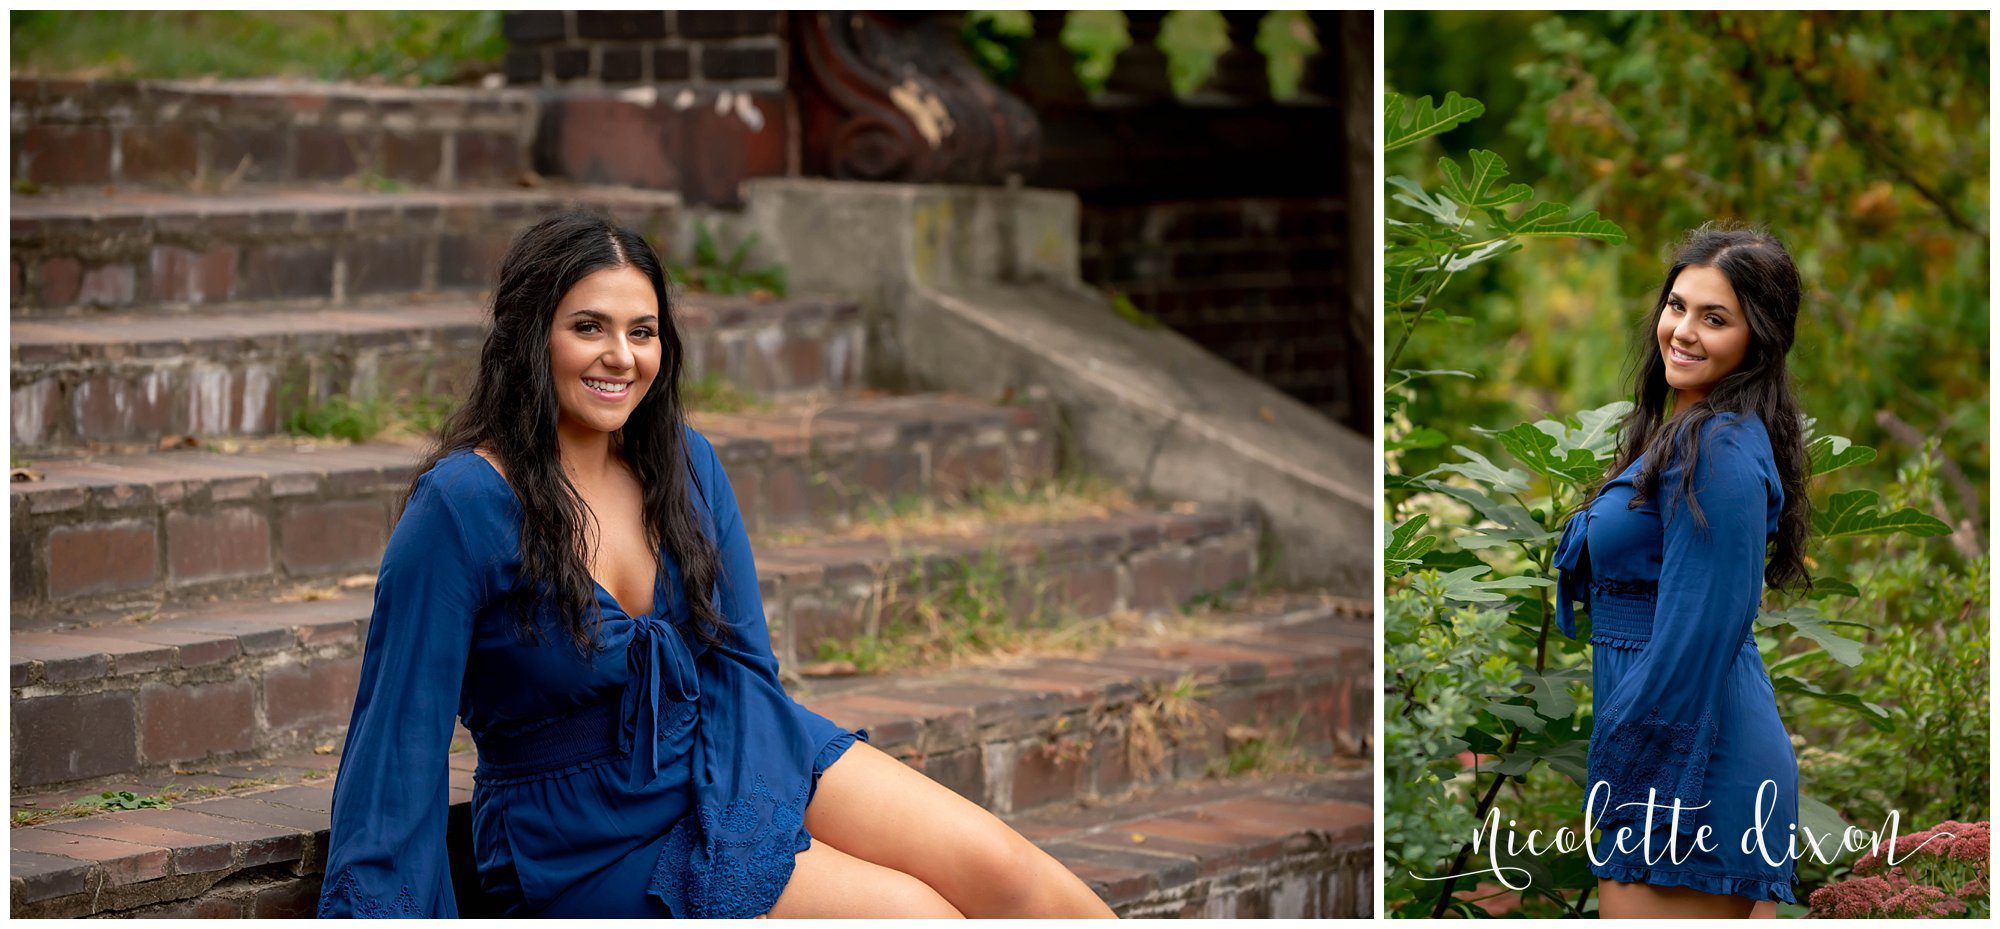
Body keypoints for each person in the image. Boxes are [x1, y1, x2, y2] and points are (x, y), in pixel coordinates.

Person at [315, 210, 1117, 918]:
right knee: (912, 915)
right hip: (581, 833)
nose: (621, 356)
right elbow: (397, 740)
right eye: (588, 326)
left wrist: (742, 815)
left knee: (1018, 881)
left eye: (643, 330)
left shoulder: (684, 463)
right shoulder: (462, 505)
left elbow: (741, 660)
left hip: (730, 739)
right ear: (530, 336)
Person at [1552, 224, 1813, 918]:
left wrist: (1636, 780)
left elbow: (1701, 632)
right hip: (1684, 747)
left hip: (1691, 762)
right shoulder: (1688, 434)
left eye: (1715, 318)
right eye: (1678, 306)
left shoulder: (1720, 448)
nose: (1684, 331)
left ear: (1759, 337)